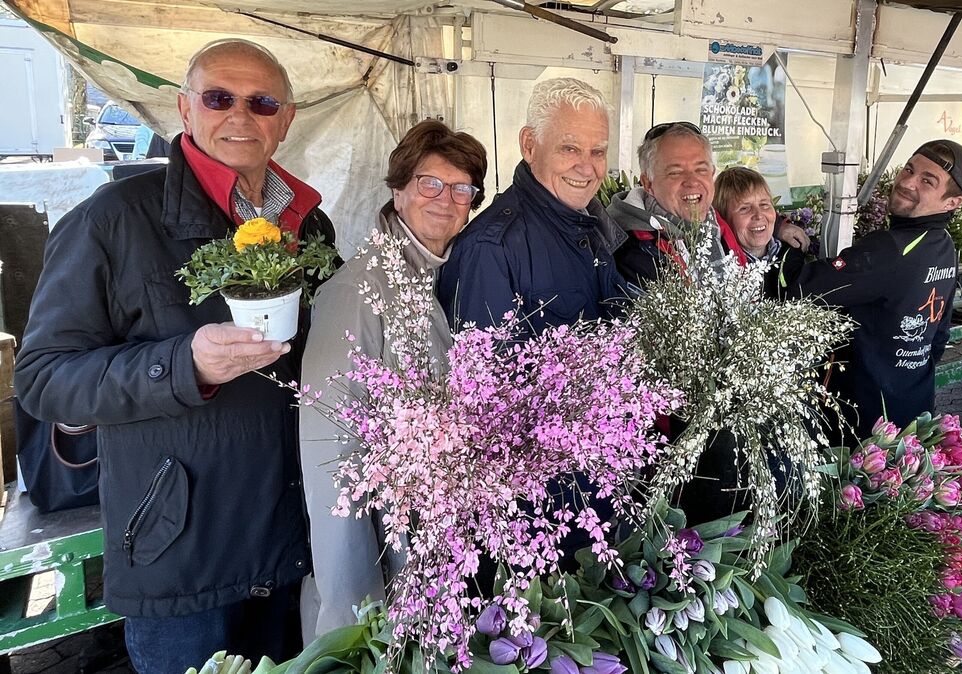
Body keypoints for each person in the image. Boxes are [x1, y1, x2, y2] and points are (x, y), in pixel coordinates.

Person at [15, 39, 337, 673]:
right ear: (185, 110)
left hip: (289, 538)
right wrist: (182, 365)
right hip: (181, 550)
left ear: (287, 119)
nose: (240, 116)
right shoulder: (111, 221)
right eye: (219, 98)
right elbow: (44, 379)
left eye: (262, 101)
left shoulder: (309, 226)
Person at [298, 120, 487, 640]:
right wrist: (354, 612)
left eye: (462, 189)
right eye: (430, 183)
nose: (446, 200)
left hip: (429, 545)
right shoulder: (358, 288)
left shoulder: (434, 277)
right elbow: (330, 451)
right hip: (383, 559)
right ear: (399, 190)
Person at [789, 139, 962, 441]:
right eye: (909, 170)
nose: (908, 182)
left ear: (951, 202)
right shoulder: (944, 247)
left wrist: (786, 236)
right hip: (912, 413)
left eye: (928, 181)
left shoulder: (890, 249)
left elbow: (800, 287)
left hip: (864, 421)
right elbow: (939, 336)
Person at [437, 77, 629, 335]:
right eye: (570, 148)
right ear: (529, 145)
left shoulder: (588, 223)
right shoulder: (490, 249)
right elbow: (487, 372)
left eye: (598, 152)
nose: (586, 168)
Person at [606, 121, 809, 286]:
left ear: (712, 174)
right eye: (675, 172)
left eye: (701, 169)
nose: (692, 181)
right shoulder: (633, 248)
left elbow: (746, 218)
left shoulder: (713, 220)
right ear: (648, 183)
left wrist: (779, 228)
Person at [713, 166, 807, 300]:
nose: (758, 215)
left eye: (764, 205)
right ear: (724, 219)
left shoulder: (790, 252)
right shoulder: (718, 266)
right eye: (744, 208)